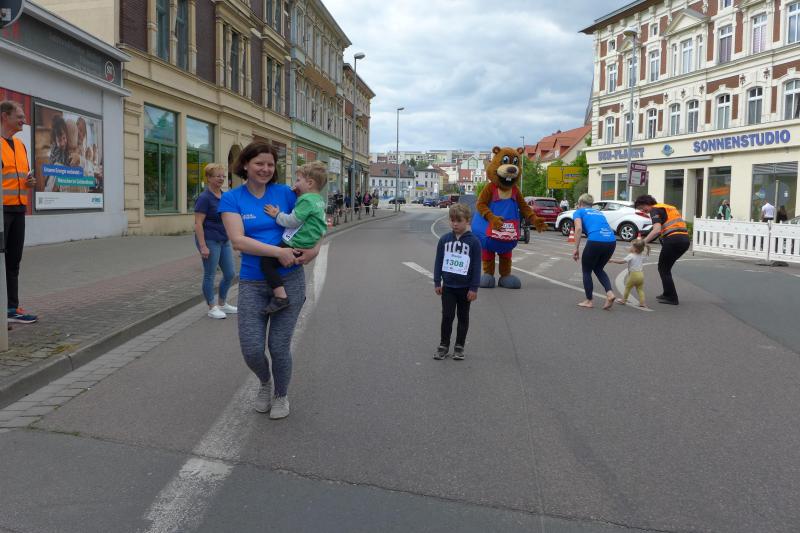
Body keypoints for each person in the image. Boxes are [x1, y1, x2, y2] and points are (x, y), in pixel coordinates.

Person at [220, 142, 321, 419]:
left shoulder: (287, 193)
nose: (265, 169)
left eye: (270, 164)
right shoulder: (232, 199)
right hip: (252, 282)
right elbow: (238, 241)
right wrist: (278, 252)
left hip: (289, 280)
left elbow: (315, 220)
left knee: (278, 346)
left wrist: (313, 251)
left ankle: (281, 394)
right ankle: (265, 382)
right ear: (245, 165)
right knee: (252, 349)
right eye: (259, 163)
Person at [261, 161, 327, 315]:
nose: (295, 184)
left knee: (266, 262)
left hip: (296, 243)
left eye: (298, 180)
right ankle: (296, 295)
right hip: (308, 243)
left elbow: (292, 221)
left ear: (309, 183)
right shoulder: (318, 200)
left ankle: (281, 297)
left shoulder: (306, 200)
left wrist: (277, 214)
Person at [1, 101, 38, 324]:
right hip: (1, 211)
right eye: (20, 117)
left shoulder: (20, 145)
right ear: (5, 117)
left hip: (18, 209)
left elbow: (22, 176)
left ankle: (11, 309)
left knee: (14, 261)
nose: (24, 121)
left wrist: (29, 182)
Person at [433, 203, 481, 360]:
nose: (455, 224)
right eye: (452, 220)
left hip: (465, 288)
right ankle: (443, 345)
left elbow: (476, 266)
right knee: (447, 316)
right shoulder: (444, 240)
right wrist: (437, 282)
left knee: (463, 317)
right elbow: (438, 261)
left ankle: (459, 346)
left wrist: (474, 288)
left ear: (467, 221)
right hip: (448, 287)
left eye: (458, 221)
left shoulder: (474, 242)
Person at [194, 163, 237, 319]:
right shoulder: (204, 198)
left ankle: (222, 303)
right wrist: (203, 246)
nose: (221, 178)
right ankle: (212, 307)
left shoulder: (225, 196)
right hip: (209, 240)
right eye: (217, 176)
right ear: (208, 178)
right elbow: (198, 224)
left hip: (224, 239)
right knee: (210, 275)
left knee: (230, 274)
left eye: (223, 176)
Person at [635, 194, 690, 306]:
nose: (643, 211)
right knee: (665, 268)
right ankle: (667, 293)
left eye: (642, 208)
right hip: (684, 240)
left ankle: (672, 297)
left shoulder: (654, 210)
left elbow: (656, 230)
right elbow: (662, 226)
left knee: (663, 268)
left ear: (647, 203)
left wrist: (643, 243)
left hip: (673, 240)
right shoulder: (668, 207)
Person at [572, 193, 618, 310]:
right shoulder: (599, 212)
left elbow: (578, 229)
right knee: (598, 268)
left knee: (586, 270)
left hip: (595, 240)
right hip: (611, 241)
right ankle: (610, 294)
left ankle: (589, 301)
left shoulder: (579, 212)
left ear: (580, 203)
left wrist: (576, 248)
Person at [610, 238, 650, 308]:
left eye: (631, 246)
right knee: (640, 289)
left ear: (635, 249)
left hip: (634, 275)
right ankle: (642, 303)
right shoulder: (640, 255)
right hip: (641, 275)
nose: (630, 247)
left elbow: (622, 261)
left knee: (627, 287)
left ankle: (623, 300)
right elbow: (644, 255)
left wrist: (612, 260)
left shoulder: (631, 255)